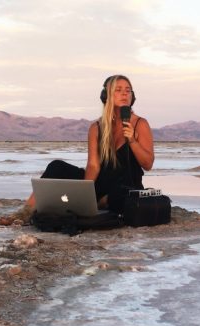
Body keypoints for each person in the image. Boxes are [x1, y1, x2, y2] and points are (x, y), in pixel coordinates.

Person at [16, 74, 154, 221]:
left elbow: (148, 164)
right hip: (101, 184)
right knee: (57, 166)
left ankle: (99, 203)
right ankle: (25, 212)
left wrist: (132, 140)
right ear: (106, 96)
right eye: (118, 90)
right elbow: (93, 166)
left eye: (128, 90)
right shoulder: (96, 127)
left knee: (122, 197)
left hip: (125, 188)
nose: (125, 93)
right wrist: (84, 193)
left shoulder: (140, 124)